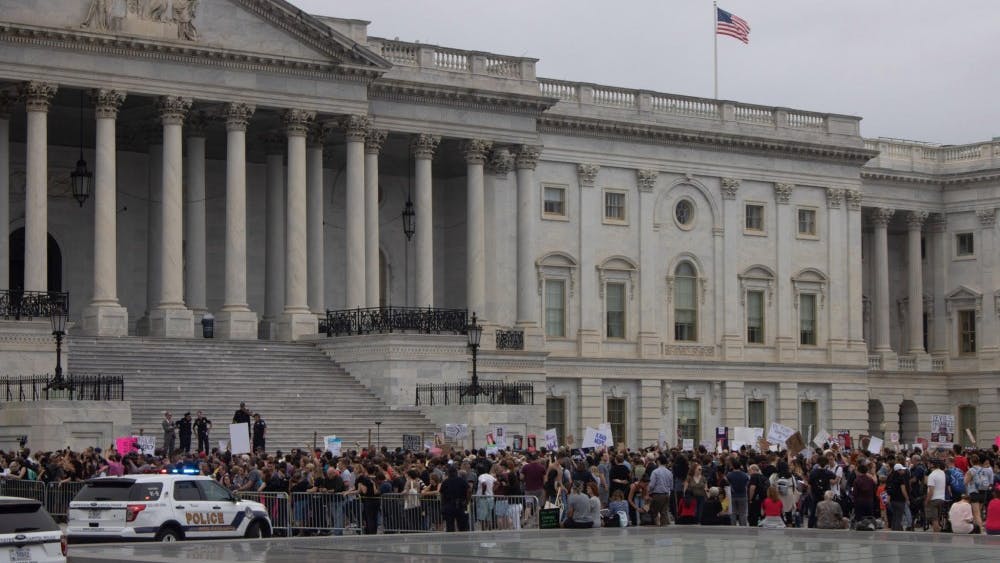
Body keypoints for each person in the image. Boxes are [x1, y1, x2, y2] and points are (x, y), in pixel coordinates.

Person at [966, 454, 993, 534]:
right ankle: (976, 530)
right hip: (983, 492)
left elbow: (965, 482)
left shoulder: (971, 470)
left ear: (971, 461)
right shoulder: (985, 469)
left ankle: (981, 531)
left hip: (975, 492)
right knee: (977, 513)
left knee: (976, 514)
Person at [440, 464, 469, 532]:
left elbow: (441, 493)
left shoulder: (445, 482)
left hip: (448, 505)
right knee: (462, 526)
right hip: (460, 504)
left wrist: (442, 503)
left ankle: (451, 540)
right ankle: (463, 539)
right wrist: (467, 500)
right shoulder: (461, 480)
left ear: (449, 473)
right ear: (456, 472)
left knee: (450, 526)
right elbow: (469, 490)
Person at [647, 455, 673, 526]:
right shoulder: (669, 472)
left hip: (657, 494)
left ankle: (656, 526)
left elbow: (652, 485)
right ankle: (663, 527)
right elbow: (671, 486)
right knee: (664, 512)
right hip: (666, 494)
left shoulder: (655, 472)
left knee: (654, 511)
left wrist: (648, 492)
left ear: (658, 461)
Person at [886, 463, 910, 531]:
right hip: (900, 500)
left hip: (892, 500)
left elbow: (887, 489)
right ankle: (896, 533)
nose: (903, 471)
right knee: (899, 517)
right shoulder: (900, 479)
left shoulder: (890, 477)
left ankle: (893, 530)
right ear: (898, 471)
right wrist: (907, 499)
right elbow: (903, 490)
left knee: (894, 517)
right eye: (902, 470)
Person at [925, 459, 947, 532]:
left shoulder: (932, 475)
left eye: (929, 464)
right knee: (937, 518)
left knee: (934, 520)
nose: (928, 465)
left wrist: (927, 500)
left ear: (932, 465)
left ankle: (936, 537)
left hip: (933, 499)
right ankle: (938, 532)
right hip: (941, 499)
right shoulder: (942, 473)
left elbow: (931, 490)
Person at [726, 460, 750, 527]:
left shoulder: (729, 475)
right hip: (742, 495)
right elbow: (747, 485)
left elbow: (727, 484)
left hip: (732, 495)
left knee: (733, 512)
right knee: (742, 513)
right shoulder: (745, 475)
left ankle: (733, 526)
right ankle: (743, 526)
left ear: (733, 466)